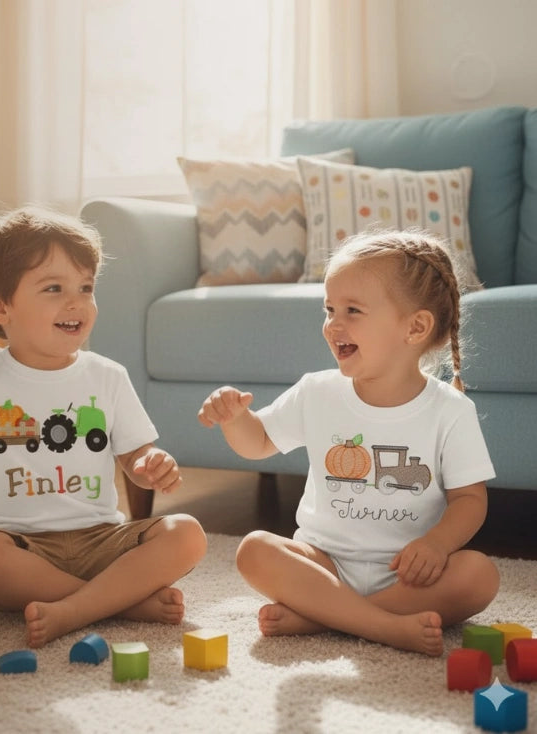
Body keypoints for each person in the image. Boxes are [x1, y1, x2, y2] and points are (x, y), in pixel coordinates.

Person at [0, 205, 207, 648]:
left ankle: (77, 607)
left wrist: (150, 464)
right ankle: (119, 603)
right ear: (0, 306)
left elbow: (135, 456)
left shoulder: (107, 375)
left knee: (186, 533)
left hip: (101, 542)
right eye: (53, 288)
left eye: (86, 287)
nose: (76, 302)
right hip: (19, 548)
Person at [198, 229, 499, 657]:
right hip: (324, 561)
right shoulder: (316, 391)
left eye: (352, 310)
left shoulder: (450, 410)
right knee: (254, 551)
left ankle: (323, 617)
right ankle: (382, 625)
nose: (333, 324)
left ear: (415, 327)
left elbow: (469, 498)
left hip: (407, 574)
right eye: (329, 308)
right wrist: (235, 419)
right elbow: (259, 442)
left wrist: (437, 545)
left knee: (479, 575)